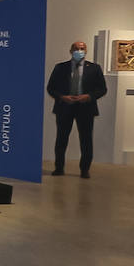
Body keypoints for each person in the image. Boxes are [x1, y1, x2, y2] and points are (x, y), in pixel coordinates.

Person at [46, 41, 107, 178]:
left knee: (86, 140)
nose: (79, 51)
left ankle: (85, 170)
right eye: (76, 48)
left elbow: (102, 89)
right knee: (61, 139)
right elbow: (51, 88)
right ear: (70, 50)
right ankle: (59, 168)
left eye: (82, 48)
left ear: (86, 51)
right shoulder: (60, 67)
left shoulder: (94, 68)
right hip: (64, 107)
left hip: (86, 108)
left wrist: (89, 96)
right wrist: (62, 97)